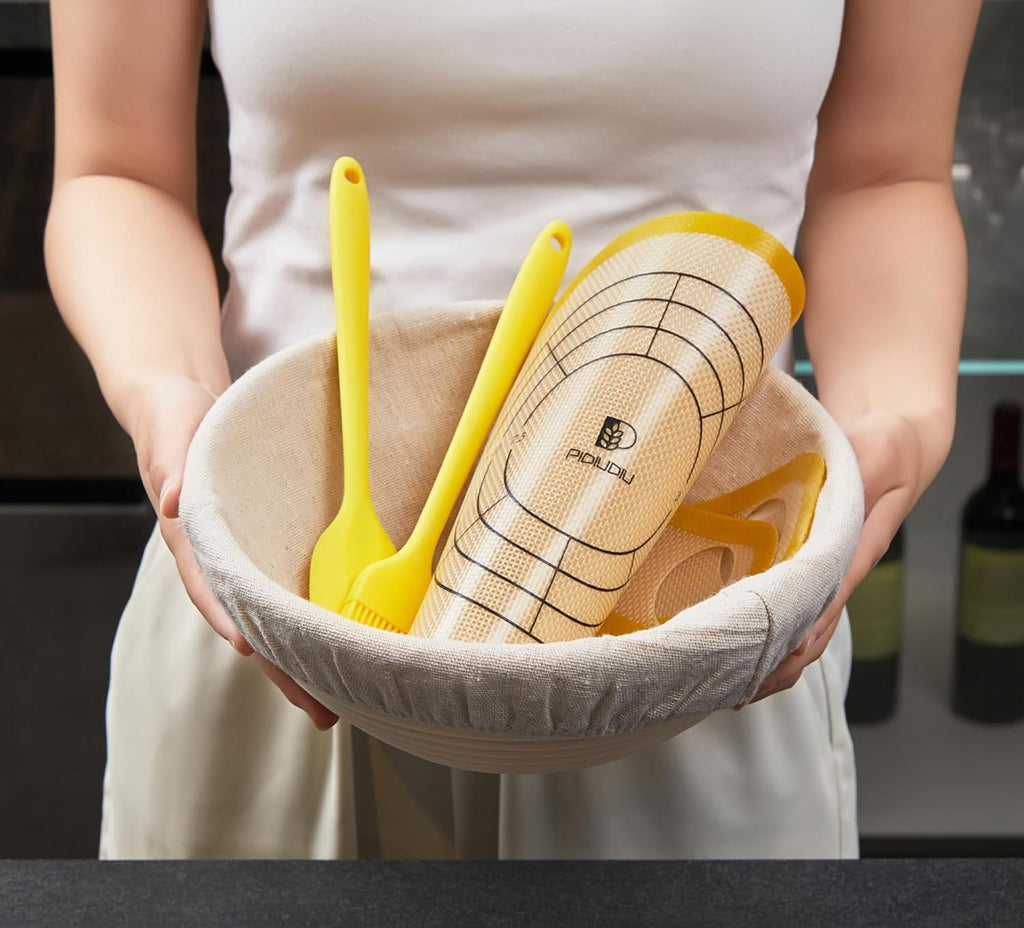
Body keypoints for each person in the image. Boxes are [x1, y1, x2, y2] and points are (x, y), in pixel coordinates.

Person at [45, 0, 980, 858]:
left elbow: (883, 174)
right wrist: (170, 400)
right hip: (281, 601)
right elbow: (117, 169)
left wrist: (894, 415)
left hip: (686, 632)